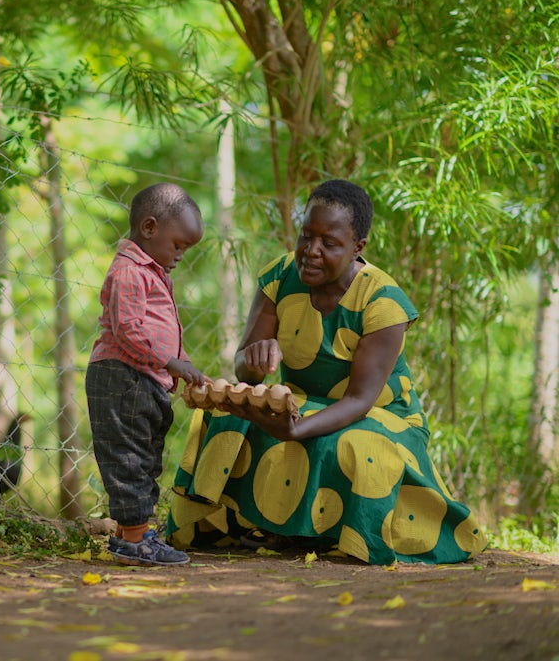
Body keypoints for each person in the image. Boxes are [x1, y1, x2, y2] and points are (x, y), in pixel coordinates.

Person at [165, 179, 487, 565]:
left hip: (379, 419)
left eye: (329, 244)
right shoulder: (280, 276)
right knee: (224, 414)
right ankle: (245, 527)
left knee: (357, 446)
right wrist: (252, 359)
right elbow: (244, 371)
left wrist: (295, 428)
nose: (311, 252)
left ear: (357, 248)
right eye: (306, 236)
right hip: (302, 405)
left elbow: (359, 400)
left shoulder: (383, 302)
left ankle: (347, 535)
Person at [86, 182, 211, 567]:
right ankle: (137, 539)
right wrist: (171, 363)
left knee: (145, 455)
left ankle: (130, 534)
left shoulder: (155, 274)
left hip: (145, 378)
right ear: (149, 227)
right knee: (128, 456)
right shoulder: (129, 272)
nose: (179, 256)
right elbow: (127, 328)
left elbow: (165, 327)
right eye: (178, 246)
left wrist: (182, 361)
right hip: (122, 376)